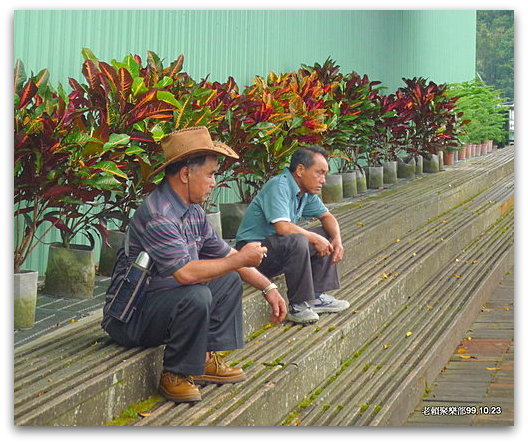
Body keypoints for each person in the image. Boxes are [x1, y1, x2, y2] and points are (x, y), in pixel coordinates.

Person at [101, 126, 287, 404]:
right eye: (210, 174)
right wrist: (238, 259)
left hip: (161, 305)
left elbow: (225, 255)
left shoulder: (193, 211)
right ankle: (175, 373)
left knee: (227, 280)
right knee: (196, 294)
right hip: (131, 319)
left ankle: (203, 360)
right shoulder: (159, 215)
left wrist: (268, 287)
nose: (214, 182)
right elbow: (186, 274)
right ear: (186, 174)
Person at [235, 145, 349, 324]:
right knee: (299, 239)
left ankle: (316, 297)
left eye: (325, 174)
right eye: (319, 173)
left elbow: (327, 217)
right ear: (300, 170)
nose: (323, 180)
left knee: (325, 234)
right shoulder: (279, 185)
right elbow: (282, 227)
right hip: (252, 256)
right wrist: (314, 238)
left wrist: (337, 239)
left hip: (276, 250)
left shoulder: (305, 193)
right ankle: (297, 306)